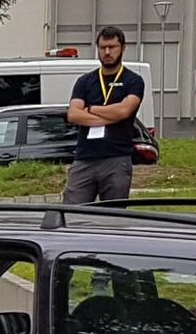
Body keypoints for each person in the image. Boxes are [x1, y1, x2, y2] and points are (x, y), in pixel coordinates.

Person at [63, 26, 147, 204]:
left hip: (116, 157)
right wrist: (111, 115)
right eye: (102, 48)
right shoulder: (85, 81)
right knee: (70, 212)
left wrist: (91, 109)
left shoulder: (133, 81)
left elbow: (124, 111)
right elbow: (73, 115)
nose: (107, 52)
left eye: (112, 47)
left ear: (123, 48)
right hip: (85, 157)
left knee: (112, 215)